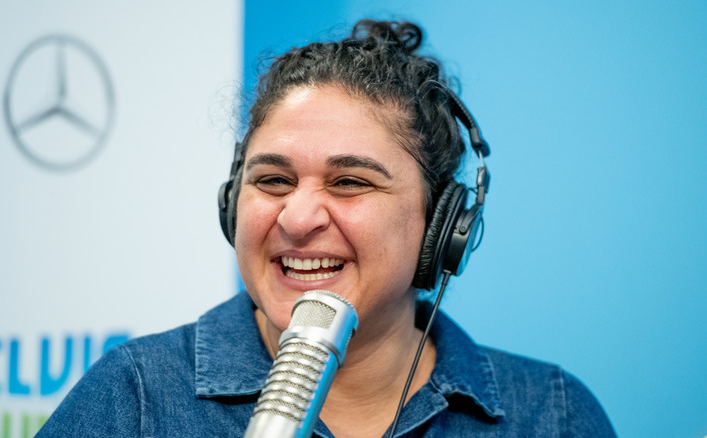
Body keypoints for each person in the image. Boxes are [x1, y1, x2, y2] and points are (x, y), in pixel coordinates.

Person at [36, 19, 616, 437]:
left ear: (442, 227)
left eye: (349, 183)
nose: (297, 217)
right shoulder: (137, 396)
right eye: (273, 181)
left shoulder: (551, 414)